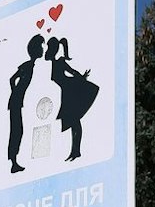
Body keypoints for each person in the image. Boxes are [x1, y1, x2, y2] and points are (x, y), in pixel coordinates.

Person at [46, 36, 100, 162]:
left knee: (74, 120)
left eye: (49, 47)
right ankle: (74, 151)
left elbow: (73, 72)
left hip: (69, 89)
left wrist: (82, 77)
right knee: (72, 122)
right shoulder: (50, 63)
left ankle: (76, 151)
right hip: (65, 91)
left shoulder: (59, 62)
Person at [7, 35, 43, 173]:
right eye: (40, 47)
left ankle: (14, 161)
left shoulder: (32, 66)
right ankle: (13, 162)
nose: (42, 50)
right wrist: (16, 93)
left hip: (18, 101)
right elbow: (12, 79)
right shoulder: (27, 66)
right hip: (15, 102)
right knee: (17, 131)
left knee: (18, 130)